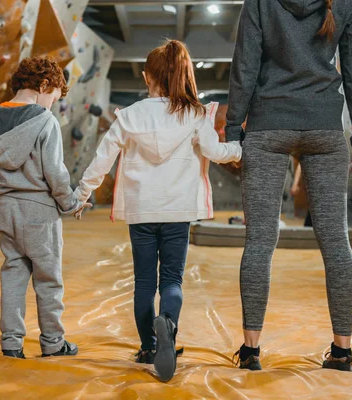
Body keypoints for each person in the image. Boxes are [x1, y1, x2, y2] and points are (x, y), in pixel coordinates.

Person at [75, 40, 242, 382]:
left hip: (141, 212)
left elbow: (102, 159)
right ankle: (168, 323)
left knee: (143, 282)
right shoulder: (194, 114)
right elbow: (215, 151)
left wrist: (82, 193)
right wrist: (239, 148)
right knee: (172, 280)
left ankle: (149, 346)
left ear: (147, 77)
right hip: (178, 212)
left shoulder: (130, 115)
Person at [226, 0, 352, 371]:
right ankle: (341, 352)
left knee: (259, 241)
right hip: (324, 126)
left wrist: (233, 130)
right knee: (335, 242)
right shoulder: (350, 2)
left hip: (267, 123)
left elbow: (245, 63)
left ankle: (251, 351)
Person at [0, 57, 90, 359]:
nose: (52, 105)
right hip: (39, 212)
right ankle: (54, 343)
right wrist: (71, 203)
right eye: (54, 98)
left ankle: (11, 343)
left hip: (5, 211)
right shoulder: (45, 121)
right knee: (48, 279)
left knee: (13, 275)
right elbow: (55, 174)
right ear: (44, 85)